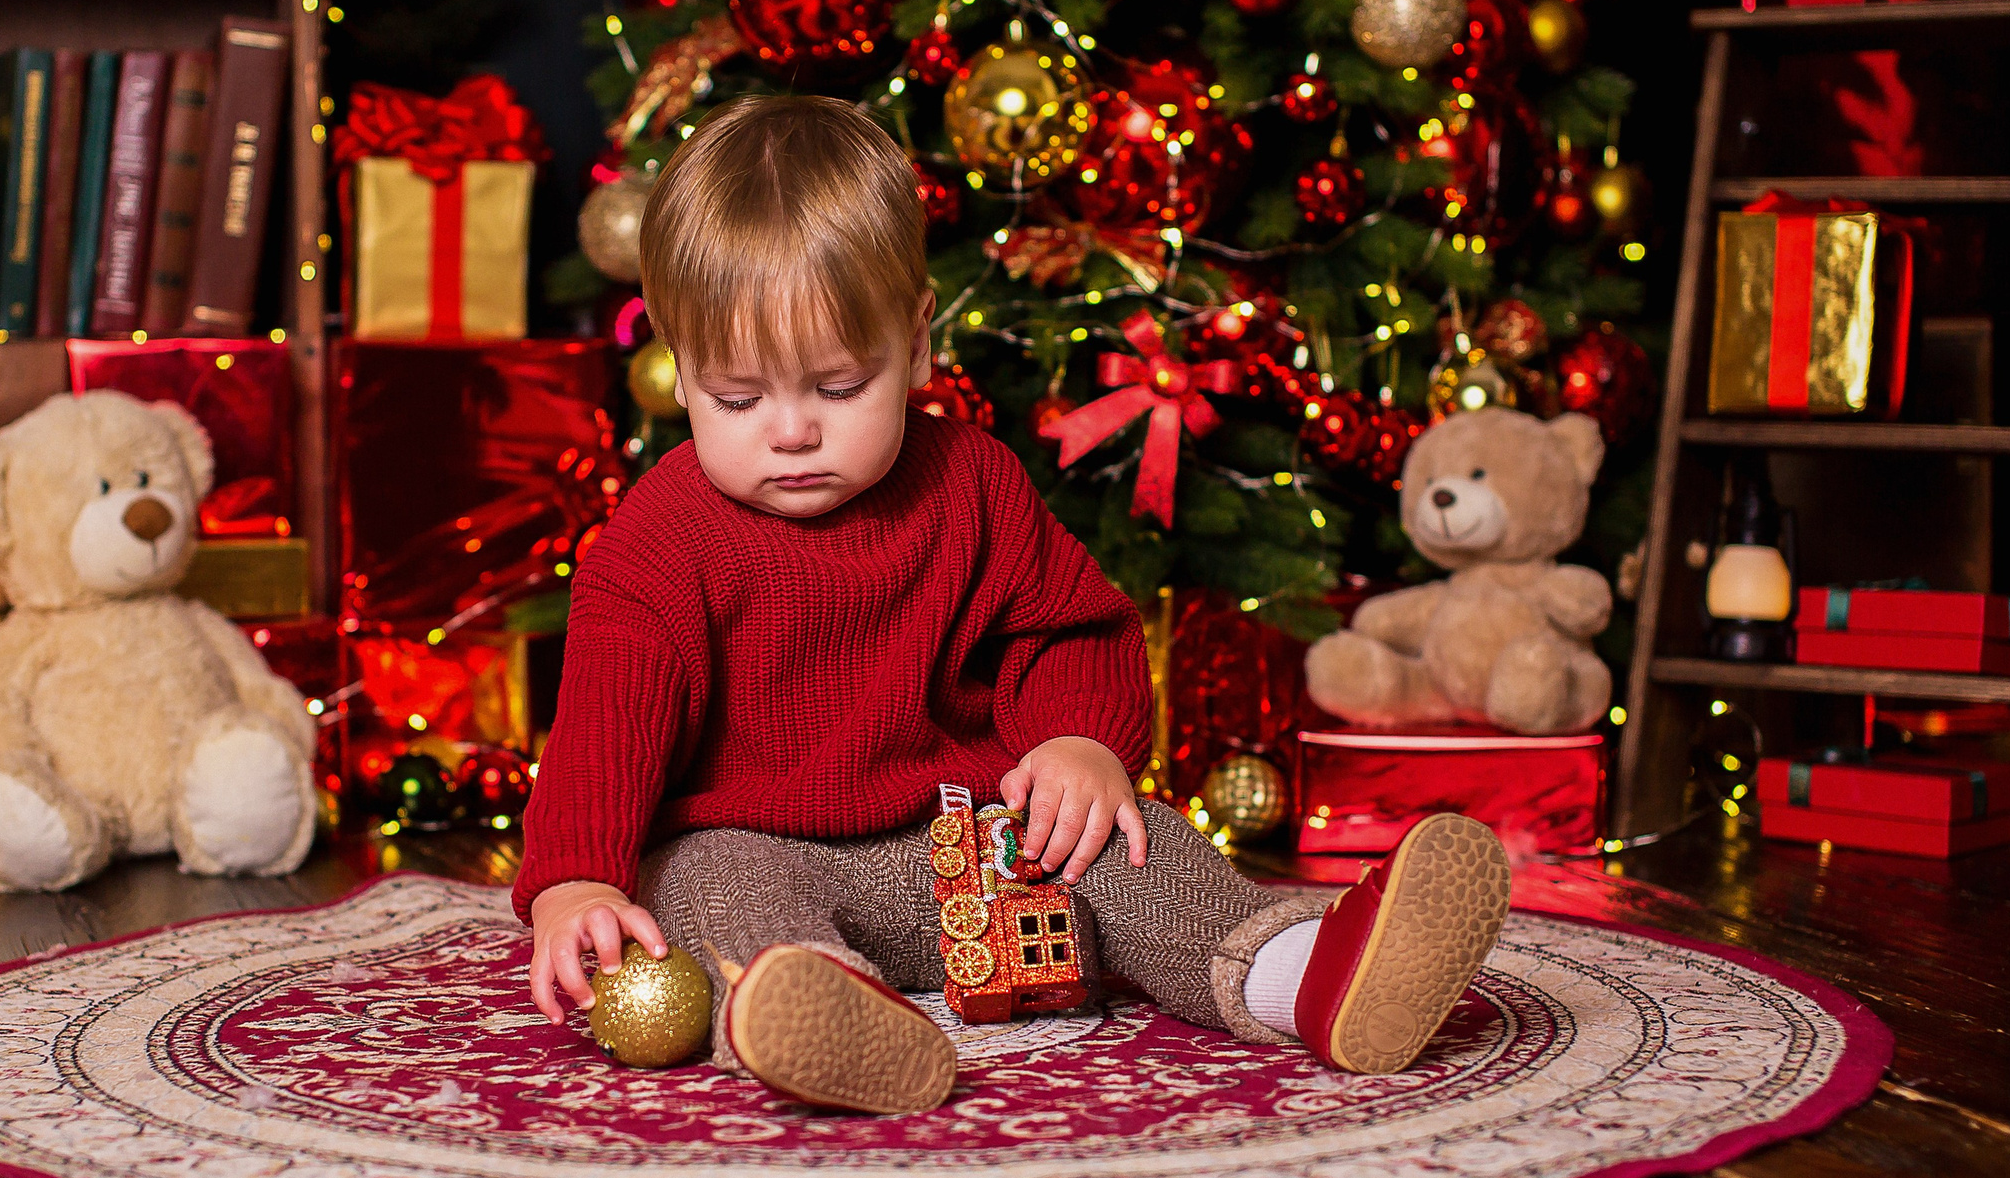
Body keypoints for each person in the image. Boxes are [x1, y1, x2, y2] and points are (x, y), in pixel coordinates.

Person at [512, 94, 1511, 1113]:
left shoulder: (972, 482)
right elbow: (603, 732)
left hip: (976, 855)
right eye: (738, 398)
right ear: (678, 369)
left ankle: (1299, 974)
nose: (792, 431)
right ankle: (824, 1012)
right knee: (708, 882)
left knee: (1127, 838)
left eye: (840, 387)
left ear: (915, 343)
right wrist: (574, 882)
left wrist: (1079, 743)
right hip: (764, 848)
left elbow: (1067, 627)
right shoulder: (657, 541)